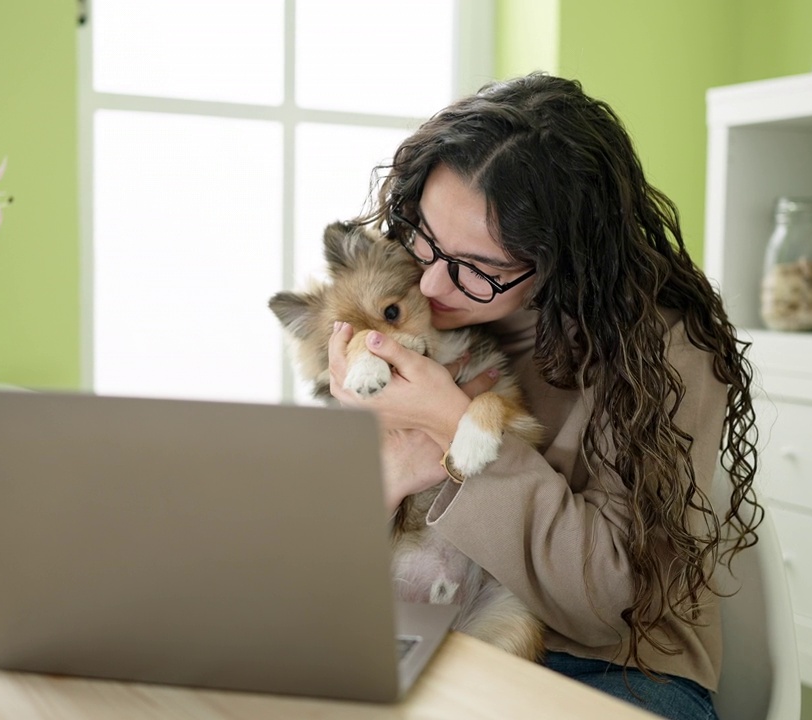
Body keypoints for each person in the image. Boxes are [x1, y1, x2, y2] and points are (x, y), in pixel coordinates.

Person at [326, 73, 761, 720]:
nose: (433, 284)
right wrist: (382, 476)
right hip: (431, 633)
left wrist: (455, 428)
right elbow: (330, 558)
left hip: (615, 667)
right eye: (425, 239)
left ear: (566, 259)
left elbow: (604, 604)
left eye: (479, 268)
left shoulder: (662, 349)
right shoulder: (397, 313)